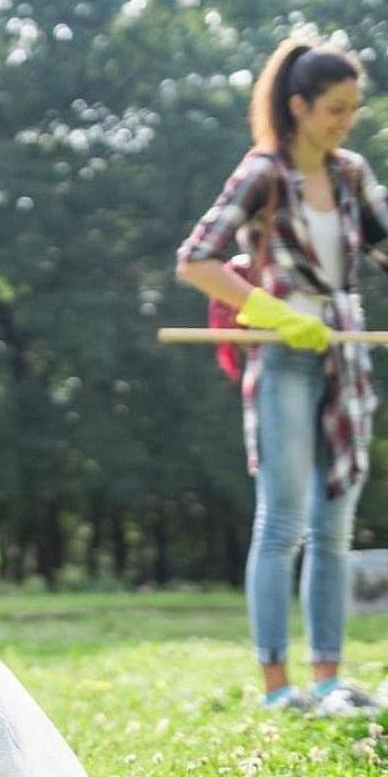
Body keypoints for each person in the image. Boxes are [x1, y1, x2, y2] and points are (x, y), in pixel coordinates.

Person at [177, 38, 388, 715]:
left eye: (353, 109)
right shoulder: (262, 173)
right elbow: (196, 259)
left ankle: (328, 680)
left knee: (333, 528)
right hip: (283, 354)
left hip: (346, 355)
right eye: (334, 108)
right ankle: (278, 689)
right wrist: (270, 309)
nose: (344, 121)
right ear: (297, 106)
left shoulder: (353, 174)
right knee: (284, 523)